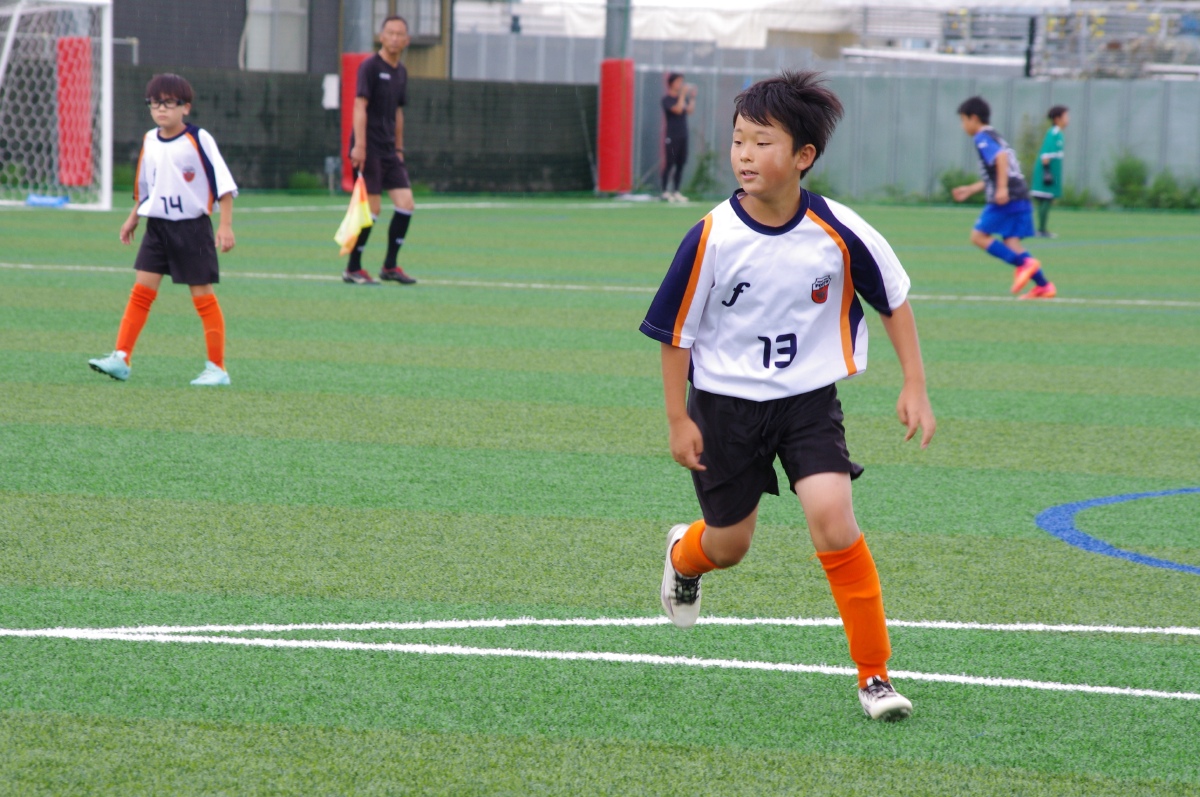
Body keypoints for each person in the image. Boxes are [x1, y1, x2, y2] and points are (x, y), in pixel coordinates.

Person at [640, 71, 936, 721]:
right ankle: (683, 555)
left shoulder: (839, 229)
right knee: (730, 545)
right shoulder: (711, 236)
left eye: (762, 142)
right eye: (738, 140)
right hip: (723, 407)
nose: (744, 155)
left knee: (834, 516)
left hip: (807, 401)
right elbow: (674, 335)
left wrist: (914, 383)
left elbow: (893, 300)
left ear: (803, 156)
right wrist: (676, 419)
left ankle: (875, 676)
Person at [88, 73, 237, 386]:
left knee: (203, 297)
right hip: (157, 228)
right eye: (155, 103)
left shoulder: (199, 139)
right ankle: (121, 358)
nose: (161, 109)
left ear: (186, 107)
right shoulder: (150, 140)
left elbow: (223, 185)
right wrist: (133, 217)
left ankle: (217, 368)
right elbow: (147, 187)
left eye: (169, 103)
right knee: (141, 293)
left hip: (192, 229)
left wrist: (225, 225)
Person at [951, 96, 1056, 299]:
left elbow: (1001, 157)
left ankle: (1024, 264)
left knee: (978, 237)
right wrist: (971, 189)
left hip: (1009, 197)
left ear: (974, 118)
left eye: (963, 120)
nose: (963, 125)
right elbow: (1000, 169)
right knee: (1011, 242)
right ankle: (1044, 286)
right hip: (1019, 194)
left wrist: (1001, 189)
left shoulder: (981, 137)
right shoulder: (995, 135)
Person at [343, 15, 418, 286]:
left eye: (400, 34)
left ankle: (390, 266)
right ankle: (353, 268)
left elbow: (398, 112)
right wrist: (360, 146)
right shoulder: (370, 67)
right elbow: (359, 105)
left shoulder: (401, 72)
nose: (395, 38)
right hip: (369, 148)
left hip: (389, 151)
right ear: (382, 36)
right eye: (390, 33)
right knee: (372, 209)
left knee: (406, 204)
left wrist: (398, 148)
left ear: (407, 40)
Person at [1031, 105, 1069, 238]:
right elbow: (1046, 155)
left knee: (1047, 199)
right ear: (1057, 119)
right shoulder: (1053, 133)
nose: (1068, 119)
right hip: (1047, 171)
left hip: (1052, 171)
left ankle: (1041, 229)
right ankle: (1041, 230)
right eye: (1066, 116)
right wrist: (1047, 172)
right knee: (1045, 199)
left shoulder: (1058, 133)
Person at [661, 73, 696, 203]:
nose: (681, 84)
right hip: (672, 135)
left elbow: (689, 110)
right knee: (670, 163)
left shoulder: (683, 98)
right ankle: (665, 191)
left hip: (683, 135)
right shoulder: (667, 99)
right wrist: (682, 94)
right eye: (678, 82)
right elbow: (678, 110)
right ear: (671, 83)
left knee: (681, 163)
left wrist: (692, 97)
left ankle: (676, 191)